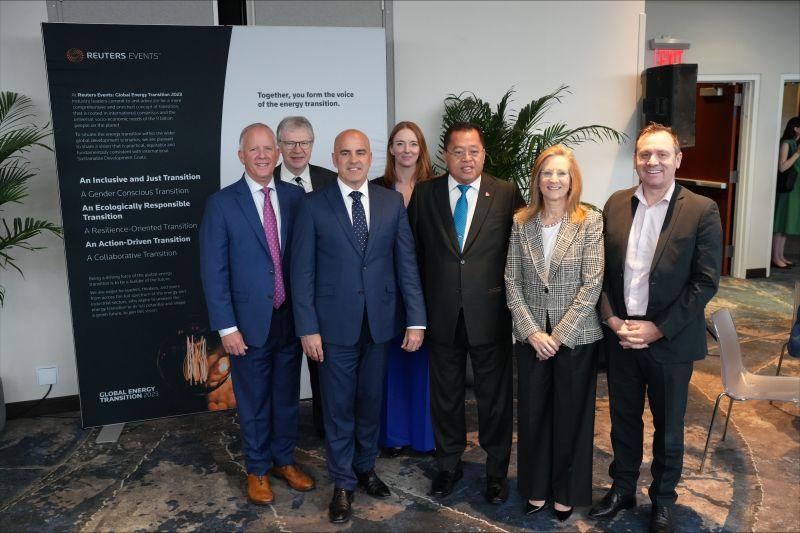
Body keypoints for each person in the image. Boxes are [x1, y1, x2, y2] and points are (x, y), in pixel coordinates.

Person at [589, 124, 722, 533]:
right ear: (635, 159)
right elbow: (601, 274)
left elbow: (705, 282)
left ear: (678, 159)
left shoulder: (701, 210)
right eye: (646, 154)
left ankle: (663, 501)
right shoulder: (614, 204)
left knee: (669, 428)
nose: (653, 161)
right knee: (623, 420)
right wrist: (612, 320)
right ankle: (622, 488)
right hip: (622, 337)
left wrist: (657, 329)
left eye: (662, 154)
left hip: (671, 341)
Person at [290, 129, 427, 524]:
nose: (354, 160)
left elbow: (406, 265)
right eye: (346, 153)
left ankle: (366, 468)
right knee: (338, 409)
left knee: (370, 404)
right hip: (332, 329)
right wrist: (307, 328)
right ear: (334, 158)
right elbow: (302, 273)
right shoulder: (313, 205)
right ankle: (343, 482)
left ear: (371, 159)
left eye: (361, 153)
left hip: (381, 325)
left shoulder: (390, 202)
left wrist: (415, 319)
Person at [407, 122, 525, 503]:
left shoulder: (506, 193)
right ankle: (448, 465)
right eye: (458, 151)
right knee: (445, 396)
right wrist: (417, 313)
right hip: (441, 315)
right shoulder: (424, 194)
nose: (467, 158)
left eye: (474, 150)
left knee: (495, 397)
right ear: (445, 155)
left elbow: (520, 253)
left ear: (484, 153)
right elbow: (413, 257)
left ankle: (496, 472)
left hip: (490, 314)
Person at [199, 123, 314, 505]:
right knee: (253, 400)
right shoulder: (222, 204)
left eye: (268, 148)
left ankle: (284, 460)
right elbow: (213, 271)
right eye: (254, 149)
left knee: (286, 397)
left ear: (278, 154)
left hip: (288, 318)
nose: (263, 155)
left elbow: (303, 261)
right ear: (241, 156)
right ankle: (258, 469)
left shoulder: (295, 199)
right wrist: (227, 327)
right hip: (246, 326)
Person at [505, 145, 604, 522]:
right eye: (547, 173)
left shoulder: (589, 221)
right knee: (532, 416)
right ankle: (535, 487)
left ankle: (566, 491)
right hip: (531, 339)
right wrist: (532, 332)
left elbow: (592, 284)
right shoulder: (521, 222)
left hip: (575, 338)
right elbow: (511, 280)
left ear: (572, 179)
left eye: (561, 173)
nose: (554, 180)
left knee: (571, 418)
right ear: (537, 179)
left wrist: (558, 335)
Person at [372, 121, 436, 458]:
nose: (406, 150)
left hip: (426, 287)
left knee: (423, 364)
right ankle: (394, 435)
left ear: (421, 149)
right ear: (391, 150)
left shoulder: (435, 187)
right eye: (400, 143)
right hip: (384, 288)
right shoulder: (375, 188)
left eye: (413, 144)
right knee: (391, 363)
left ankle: (423, 438)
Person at [273, 115, 337, 438]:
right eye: (290, 143)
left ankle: (329, 439)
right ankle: (283, 446)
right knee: (282, 378)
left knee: (324, 375)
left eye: (304, 143)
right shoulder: (264, 180)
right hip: (279, 298)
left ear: (312, 145)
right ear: (279, 146)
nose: (298, 150)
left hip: (321, 298)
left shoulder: (331, 181)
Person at [772, 116, 800, 269]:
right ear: (796, 128)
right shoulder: (787, 144)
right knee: (781, 223)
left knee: (786, 225)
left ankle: (780, 255)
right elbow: (782, 167)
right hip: (787, 190)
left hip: (795, 190)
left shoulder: (796, 144)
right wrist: (797, 154)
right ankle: (775, 257)